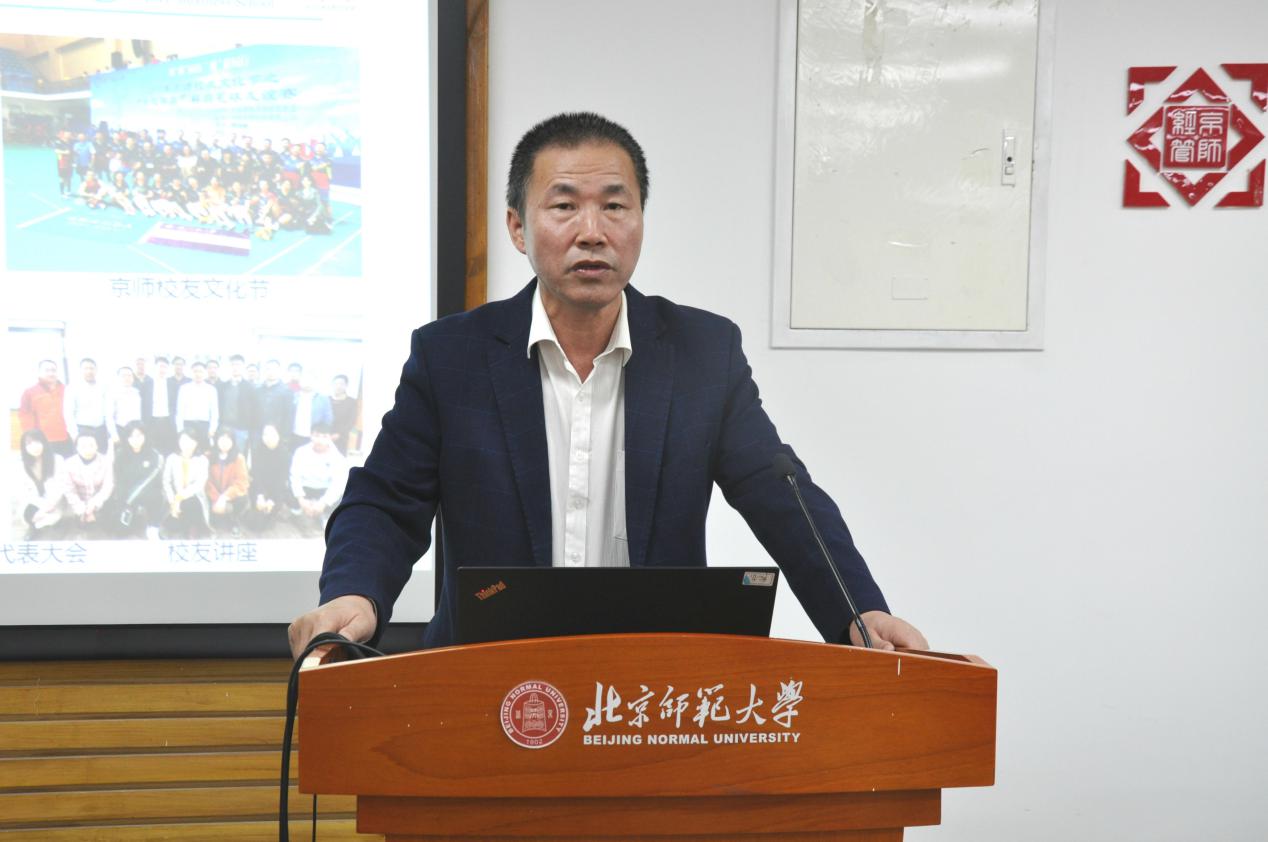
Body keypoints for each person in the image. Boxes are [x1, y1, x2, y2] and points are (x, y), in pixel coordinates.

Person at [289, 112, 927, 658]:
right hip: (485, 676)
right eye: (564, 205)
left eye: (614, 206)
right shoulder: (451, 357)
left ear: (640, 222)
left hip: (650, 688)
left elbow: (781, 495)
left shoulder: (703, 354)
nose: (592, 231)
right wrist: (354, 593)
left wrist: (857, 611)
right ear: (517, 227)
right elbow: (386, 500)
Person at [104, 421, 164, 538]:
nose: (135, 440)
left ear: (145, 436)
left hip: (148, 494)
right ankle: (134, 516)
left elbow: (152, 482)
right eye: (131, 436)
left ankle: (153, 526)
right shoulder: (120, 454)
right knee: (121, 531)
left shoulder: (155, 455)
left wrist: (131, 499)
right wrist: (124, 502)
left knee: (156, 497)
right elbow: (119, 481)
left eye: (139, 435)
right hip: (127, 496)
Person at [288, 425, 347, 534]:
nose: (320, 440)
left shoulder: (338, 457)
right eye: (317, 436)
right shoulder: (300, 452)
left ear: (330, 438)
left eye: (324, 437)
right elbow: (294, 476)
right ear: (311, 436)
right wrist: (301, 499)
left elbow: (338, 484)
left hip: (324, 489)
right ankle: (298, 514)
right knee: (289, 486)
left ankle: (324, 515)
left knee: (342, 494)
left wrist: (323, 503)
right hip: (305, 488)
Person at [162, 427, 210, 539]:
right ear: (179, 442)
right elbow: (166, 482)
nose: (187, 444)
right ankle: (175, 526)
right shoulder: (172, 458)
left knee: (189, 503)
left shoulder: (202, 460)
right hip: (174, 497)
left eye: (191, 441)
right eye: (184, 440)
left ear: (196, 443)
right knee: (172, 519)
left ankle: (191, 530)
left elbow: (199, 484)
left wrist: (179, 498)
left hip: (193, 497)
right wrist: (172, 500)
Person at [245, 423, 293, 533]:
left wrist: (271, 500)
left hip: (276, 492)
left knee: (266, 523)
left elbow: (281, 481)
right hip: (259, 489)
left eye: (272, 434)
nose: (268, 438)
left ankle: (274, 512)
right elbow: (256, 475)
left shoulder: (285, 455)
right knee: (256, 525)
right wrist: (260, 496)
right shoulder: (257, 450)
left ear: (279, 435)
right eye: (265, 434)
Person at [62, 431, 113, 533]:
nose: (88, 450)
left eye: (91, 445)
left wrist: (93, 504)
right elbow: (69, 490)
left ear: (97, 446)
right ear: (77, 448)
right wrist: (81, 509)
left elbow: (108, 486)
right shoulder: (68, 464)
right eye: (83, 446)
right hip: (77, 502)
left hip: (99, 501)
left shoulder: (106, 461)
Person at [19, 360, 72, 457]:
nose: (51, 373)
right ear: (39, 372)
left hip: (67, 439)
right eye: (47, 370)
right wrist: (31, 438)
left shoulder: (67, 390)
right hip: (43, 441)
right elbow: (25, 417)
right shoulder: (30, 393)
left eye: (53, 370)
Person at [19, 430, 65, 539]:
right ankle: (36, 526)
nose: (34, 447)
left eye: (37, 442)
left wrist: (46, 508)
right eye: (29, 444)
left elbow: (61, 487)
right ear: (24, 448)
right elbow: (22, 492)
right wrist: (39, 508)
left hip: (54, 501)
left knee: (47, 517)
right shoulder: (22, 465)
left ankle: (42, 524)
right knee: (28, 513)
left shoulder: (57, 460)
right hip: (35, 502)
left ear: (44, 442)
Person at [206, 428, 250, 537]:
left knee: (243, 498)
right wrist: (216, 498)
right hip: (212, 495)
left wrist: (224, 497)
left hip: (229, 496)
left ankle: (233, 521)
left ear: (233, 441)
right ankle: (212, 521)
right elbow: (206, 481)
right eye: (222, 438)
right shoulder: (208, 456)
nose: (225, 442)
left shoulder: (239, 458)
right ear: (216, 439)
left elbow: (242, 482)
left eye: (228, 439)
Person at [63, 357, 109, 453]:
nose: (89, 371)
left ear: (96, 370)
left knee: (101, 458)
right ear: (80, 370)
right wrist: (74, 434)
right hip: (82, 430)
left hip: (101, 430)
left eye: (91, 368)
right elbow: (68, 413)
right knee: (83, 458)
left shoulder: (103, 387)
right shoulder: (72, 388)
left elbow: (107, 410)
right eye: (86, 368)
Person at [175, 361, 219, 447]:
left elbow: (214, 412)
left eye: (200, 371)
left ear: (205, 373)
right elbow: (179, 411)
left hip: (204, 426)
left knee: (204, 451)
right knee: (188, 450)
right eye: (195, 371)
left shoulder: (211, 390)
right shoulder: (184, 389)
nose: (198, 374)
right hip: (188, 425)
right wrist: (180, 430)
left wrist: (212, 429)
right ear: (191, 372)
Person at [329, 374, 358, 455]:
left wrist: (339, 434)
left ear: (346, 386)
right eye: (336, 383)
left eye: (341, 384)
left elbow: (351, 422)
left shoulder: (351, 402)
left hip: (341, 438)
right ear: (332, 385)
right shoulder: (326, 400)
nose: (338, 386)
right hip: (324, 436)